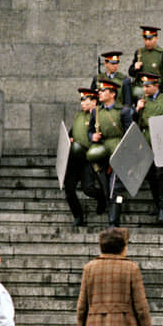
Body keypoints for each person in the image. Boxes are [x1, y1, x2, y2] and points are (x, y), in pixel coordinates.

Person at [89, 78, 134, 227]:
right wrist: (92, 136)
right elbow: (90, 131)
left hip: (118, 153)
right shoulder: (96, 112)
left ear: (112, 94)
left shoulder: (123, 111)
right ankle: (112, 218)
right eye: (99, 91)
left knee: (116, 190)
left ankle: (113, 222)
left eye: (103, 91)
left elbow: (130, 133)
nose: (99, 93)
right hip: (102, 154)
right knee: (106, 188)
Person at [133, 72, 163, 222]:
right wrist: (137, 109)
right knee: (151, 176)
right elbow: (133, 122)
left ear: (156, 86)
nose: (145, 89)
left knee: (161, 176)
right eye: (143, 86)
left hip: (162, 143)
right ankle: (157, 205)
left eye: (148, 86)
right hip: (146, 144)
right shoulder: (142, 101)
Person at [65, 87, 106, 228]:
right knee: (69, 189)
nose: (82, 103)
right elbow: (72, 132)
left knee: (88, 188)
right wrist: (69, 139)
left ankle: (101, 197)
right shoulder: (78, 116)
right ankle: (78, 216)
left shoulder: (99, 115)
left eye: (85, 100)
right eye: (81, 100)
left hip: (87, 158)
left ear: (94, 101)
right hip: (74, 158)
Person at [129, 26, 163, 92]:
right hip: (141, 87)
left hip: (157, 88)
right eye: (145, 39)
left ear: (156, 38)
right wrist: (135, 68)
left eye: (150, 39)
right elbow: (131, 73)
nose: (147, 42)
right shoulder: (139, 52)